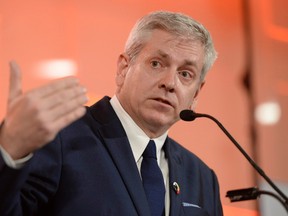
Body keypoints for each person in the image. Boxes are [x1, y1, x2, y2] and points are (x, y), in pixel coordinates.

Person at [0, 11, 223, 216]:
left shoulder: (203, 178)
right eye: (156, 63)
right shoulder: (60, 137)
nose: (170, 83)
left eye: (185, 74)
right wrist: (9, 149)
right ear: (123, 69)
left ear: (195, 95)